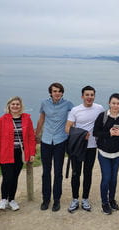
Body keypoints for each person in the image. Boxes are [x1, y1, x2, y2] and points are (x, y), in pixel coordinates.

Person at [0, 96, 36, 211]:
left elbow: (31, 137)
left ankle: (11, 199)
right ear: (9, 106)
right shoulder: (2, 120)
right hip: (5, 153)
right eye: (13, 104)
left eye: (17, 104)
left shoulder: (27, 119)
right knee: (7, 178)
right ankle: (3, 199)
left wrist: (32, 153)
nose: (15, 106)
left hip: (19, 153)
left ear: (21, 106)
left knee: (15, 177)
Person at [65, 86, 104, 212]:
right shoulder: (75, 110)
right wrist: (82, 133)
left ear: (94, 96)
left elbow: (105, 122)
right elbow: (68, 128)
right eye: (87, 95)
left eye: (92, 95)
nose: (89, 97)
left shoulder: (99, 108)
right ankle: (75, 199)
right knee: (76, 174)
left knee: (88, 174)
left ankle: (85, 199)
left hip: (92, 147)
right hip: (78, 147)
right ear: (82, 96)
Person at [35, 83, 74, 212]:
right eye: (54, 91)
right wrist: (36, 136)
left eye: (59, 91)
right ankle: (46, 199)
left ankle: (56, 200)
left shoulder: (68, 104)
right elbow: (41, 120)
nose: (57, 93)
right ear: (50, 93)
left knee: (58, 172)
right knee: (46, 172)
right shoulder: (44, 103)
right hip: (46, 141)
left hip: (60, 141)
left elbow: (75, 118)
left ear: (62, 93)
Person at [93, 93, 119, 215]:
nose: (115, 106)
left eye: (118, 103)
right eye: (113, 103)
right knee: (106, 178)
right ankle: (104, 202)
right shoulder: (102, 116)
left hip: (118, 153)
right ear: (109, 103)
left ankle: (112, 200)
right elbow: (95, 132)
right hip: (104, 153)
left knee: (113, 179)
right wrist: (109, 133)